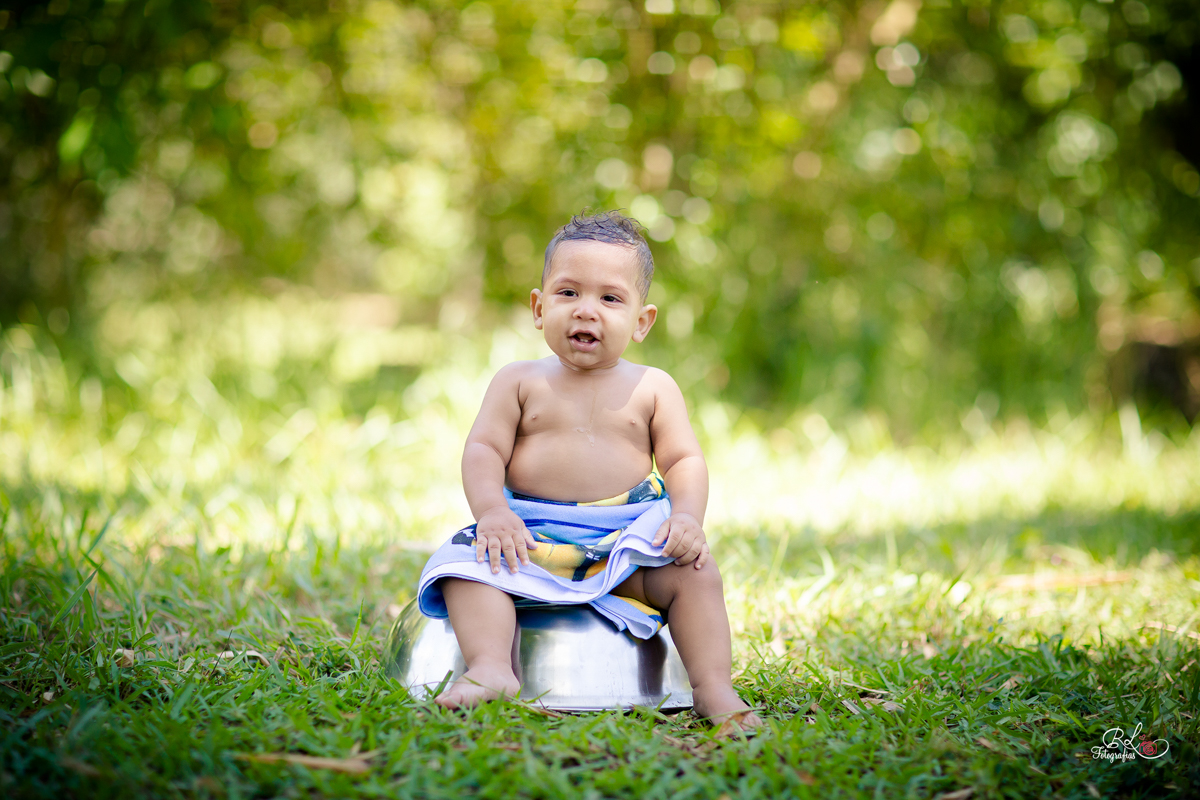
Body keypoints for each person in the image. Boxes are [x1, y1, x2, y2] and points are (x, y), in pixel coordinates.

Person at [420, 211, 761, 731]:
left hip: (625, 545)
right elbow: (483, 449)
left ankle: (713, 685)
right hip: (526, 542)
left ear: (642, 321)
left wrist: (687, 518)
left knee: (695, 573)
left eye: (610, 298)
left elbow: (683, 460)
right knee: (464, 571)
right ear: (539, 307)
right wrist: (491, 512)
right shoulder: (519, 381)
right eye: (568, 293)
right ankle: (492, 668)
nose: (587, 311)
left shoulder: (652, 387)